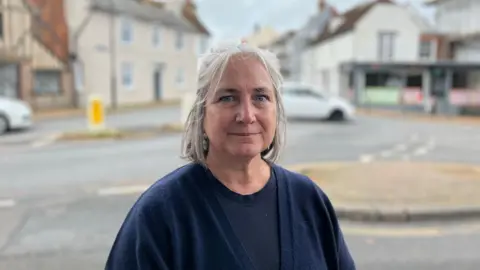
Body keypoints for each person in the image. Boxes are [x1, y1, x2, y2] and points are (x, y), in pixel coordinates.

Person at [105, 40, 356, 270]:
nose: (246, 115)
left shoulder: (309, 200)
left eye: (260, 97)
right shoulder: (160, 214)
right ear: (202, 114)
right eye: (227, 98)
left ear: (275, 110)